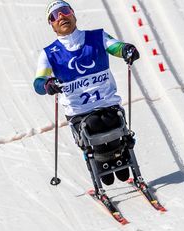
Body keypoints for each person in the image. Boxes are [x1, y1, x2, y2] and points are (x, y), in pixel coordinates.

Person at [33, 0, 140, 186]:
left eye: (65, 11)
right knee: (92, 125)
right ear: (51, 24)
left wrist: (127, 50)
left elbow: (116, 46)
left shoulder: (97, 37)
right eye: (55, 16)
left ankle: (120, 160)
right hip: (80, 113)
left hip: (108, 104)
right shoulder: (49, 53)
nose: (61, 17)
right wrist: (48, 84)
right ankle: (101, 166)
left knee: (110, 121)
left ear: (73, 14)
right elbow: (38, 82)